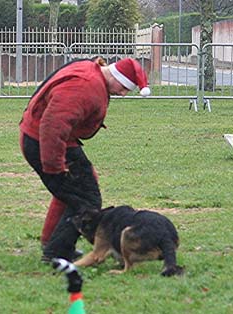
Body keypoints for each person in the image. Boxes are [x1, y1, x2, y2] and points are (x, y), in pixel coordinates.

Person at [19, 57, 150, 262]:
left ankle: (50, 242)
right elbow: (53, 125)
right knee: (86, 200)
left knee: (76, 190)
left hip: (54, 139)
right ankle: (57, 253)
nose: (123, 93)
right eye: (124, 87)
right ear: (115, 76)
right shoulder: (84, 86)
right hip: (43, 142)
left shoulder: (93, 75)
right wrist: (55, 166)